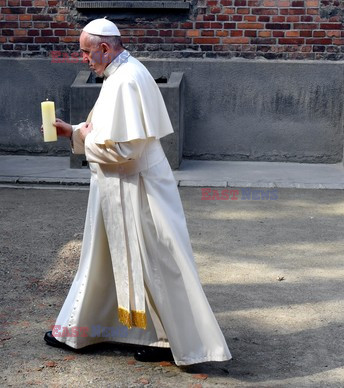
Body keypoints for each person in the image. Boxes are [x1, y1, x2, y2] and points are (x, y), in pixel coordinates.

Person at [43, 18, 232, 365]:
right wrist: (74, 131)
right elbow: (109, 131)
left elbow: (123, 149)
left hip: (137, 189)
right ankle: (84, 328)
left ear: (104, 48)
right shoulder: (122, 72)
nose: (83, 59)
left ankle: (184, 343)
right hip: (120, 186)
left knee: (160, 263)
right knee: (101, 259)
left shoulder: (126, 79)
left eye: (86, 52)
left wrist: (76, 137)